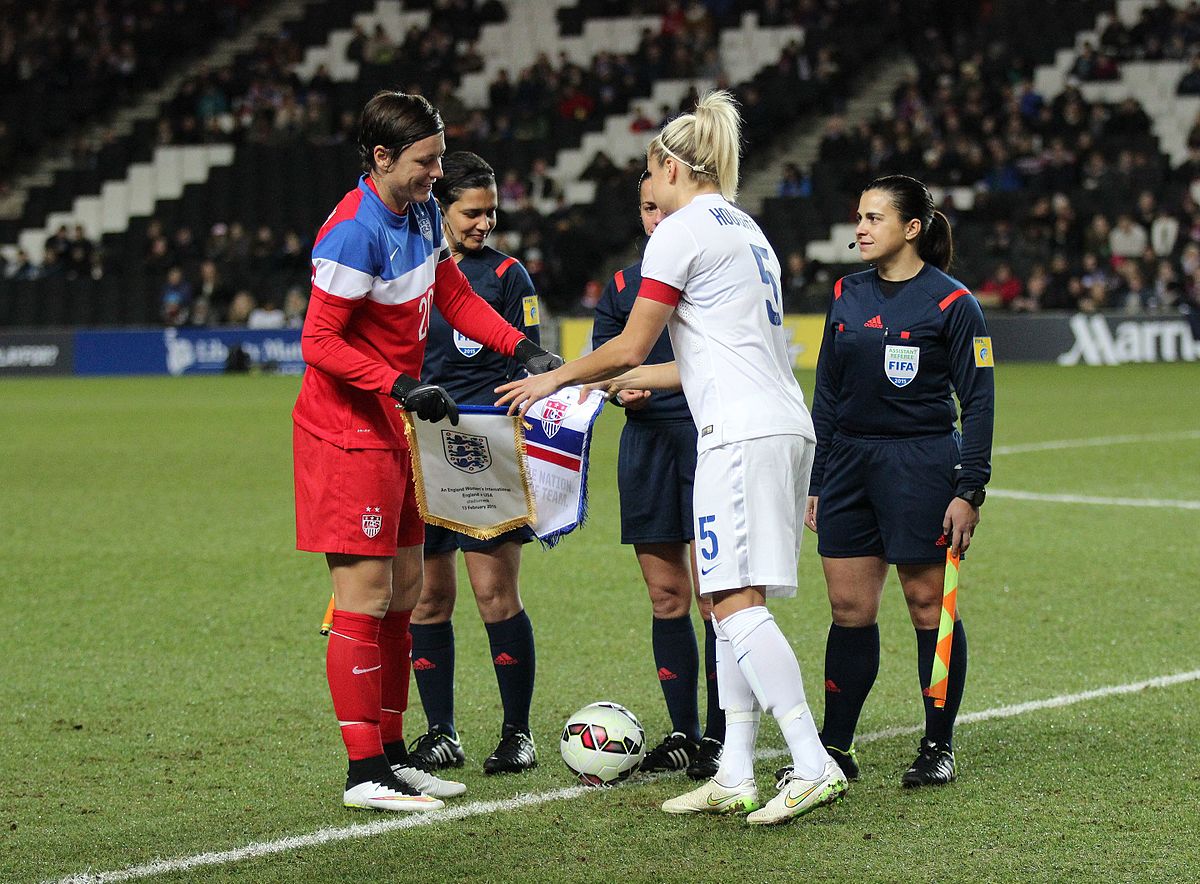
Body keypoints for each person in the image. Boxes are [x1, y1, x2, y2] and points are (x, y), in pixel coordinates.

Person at [497, 90, 847, 825]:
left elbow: (627, 342)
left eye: (649, 174)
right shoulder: (744, 228)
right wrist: (621, 377)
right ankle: (736, 770)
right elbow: (691, 361)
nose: (646, 190)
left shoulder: (681, 230)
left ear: (669, 166)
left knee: (733, 603)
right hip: (775, 422)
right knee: (722, 603)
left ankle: (811, 762)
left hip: (738, 434)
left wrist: (554, 376)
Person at [293, 91, 561, 813]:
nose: (437, 174)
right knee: (365, 598)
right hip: (347, 434)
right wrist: (400, 383)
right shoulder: (353, 232)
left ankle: (391, 754)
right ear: (381, 158)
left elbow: (454, 296)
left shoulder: (416, 217)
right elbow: (317, 342)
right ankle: (363, 773)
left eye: (440, 158)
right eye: (426, 160)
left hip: (395, 432)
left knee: (406, 595)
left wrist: (524, 347)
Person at [805, 174, 994, 789]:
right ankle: (835, 746)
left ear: (911, 229)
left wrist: (969, 490)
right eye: (858, 216)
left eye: (874, 218)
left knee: (925, 606)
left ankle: (937, 744)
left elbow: (980, 402)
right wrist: (818, 475)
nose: (860, 228)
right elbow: (828, 391)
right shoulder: (845, 292)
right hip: (850, 466)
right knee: (848, 608)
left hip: (922, 465)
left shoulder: (953, 303)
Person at [405, 151, 542, 776]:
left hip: (486, 444)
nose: (484, 222)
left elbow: (528, 360)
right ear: (441, 208)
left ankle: (517, 733)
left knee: (495, 592)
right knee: (428, 597)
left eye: (491, 211)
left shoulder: (510, 276)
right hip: (419, 444)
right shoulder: (412, 269)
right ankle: (440, 733)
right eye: (472, 211)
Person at [591, 171, 724, 781]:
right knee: (667, 596)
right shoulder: (620, 286)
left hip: (707, 440)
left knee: (715, 597)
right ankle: (683, 731)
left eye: (660, 206)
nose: (655, 218)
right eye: (645, 209)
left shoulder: (710, 271)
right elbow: (606, 366)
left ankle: (725, 730)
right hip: (646, 449)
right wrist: (622, 396)